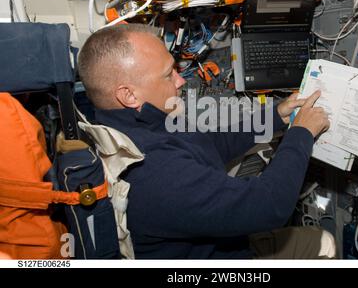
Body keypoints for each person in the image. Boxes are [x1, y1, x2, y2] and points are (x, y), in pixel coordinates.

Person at [78, 24, 334, 259]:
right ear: (129, 95)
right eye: (168, 75)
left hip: (218, 242)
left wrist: (276, 116)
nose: (180, 80)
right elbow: (268, 206)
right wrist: (302, 133)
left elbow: (209, 144)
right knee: (324, 242)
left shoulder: (133, 126)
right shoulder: (152, 170)